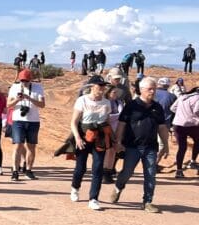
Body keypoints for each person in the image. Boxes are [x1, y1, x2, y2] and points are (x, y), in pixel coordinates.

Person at [111, 78, 170, 212]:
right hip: (132, 146)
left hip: (150, 147)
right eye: (150, 89)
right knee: (127, 172)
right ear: (142, 90)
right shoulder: (131, 105)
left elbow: (162, 127)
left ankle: (147, 202)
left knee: (150, 174)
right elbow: (121, 124)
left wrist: (165, 145)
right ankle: (118, 187)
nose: (153, 91)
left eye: (154, 88)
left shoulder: (157, 107)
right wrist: (118, 142)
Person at [69, 77, 112, 211]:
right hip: (83, 136)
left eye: (103, 86)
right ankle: (75, 187)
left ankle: (93, 198)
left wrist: (111, 137)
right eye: (99, 85)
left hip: (99, 137)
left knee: (98, 167)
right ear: (92, 86)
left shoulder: (107, 103)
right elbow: (74, 122)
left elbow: (107, 121)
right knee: (80, 168)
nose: (102, 88)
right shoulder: (82, 100)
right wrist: (77, 138)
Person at [7, 68, 46, 181]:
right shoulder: (14, 87)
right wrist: (17, 100)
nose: (24, 83)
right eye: (22, 80)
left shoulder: (38, 87)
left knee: (31, 146)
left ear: (31, 80)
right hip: (18, 120)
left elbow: (42, 104)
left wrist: (29, 98)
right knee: (18, 145)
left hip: (33, 120)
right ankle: (15, 170)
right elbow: (8, 104)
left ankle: (28, 170)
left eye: (26, 80)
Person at [170, 86, 199, 178]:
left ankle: (179, 170)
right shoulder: (198, 98)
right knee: (197, 141)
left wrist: (181, 114)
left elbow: (172, 108)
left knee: (182, 148)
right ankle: (193, 161)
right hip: (192, 125)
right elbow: (197, 110)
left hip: (178, 124)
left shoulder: (182, 97)